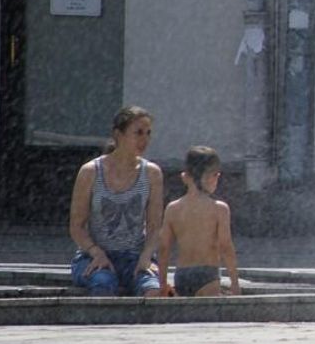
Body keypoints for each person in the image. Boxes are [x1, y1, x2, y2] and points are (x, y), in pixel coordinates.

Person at [68, 106, 164, 297]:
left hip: (134, 256)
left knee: (152, 289)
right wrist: (96, 252)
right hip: (94, 256)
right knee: (103, 284)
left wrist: (146, 256)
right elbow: (76, 226)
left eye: (148, 133)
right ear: (118, 135)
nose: (144, 140)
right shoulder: (90, 172)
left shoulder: (152, 173)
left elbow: (155, 226)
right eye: (138, 133)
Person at [158, 146, 240, 297]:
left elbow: (164, 248)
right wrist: (235, 283)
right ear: (210, 177)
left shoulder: (173, 208)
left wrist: (162, 283)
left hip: (182, 274)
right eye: (216, 175)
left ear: (185, 176)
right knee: (208, 316)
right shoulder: (219, 209)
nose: (217, 179)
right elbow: (225, 246)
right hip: (207, 273)